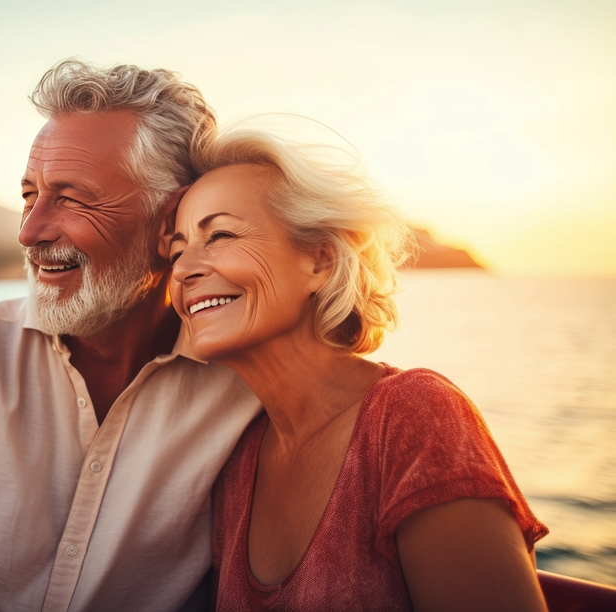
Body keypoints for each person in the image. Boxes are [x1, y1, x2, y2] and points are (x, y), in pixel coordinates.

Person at [0, 60, 262, 611]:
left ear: (171, 223)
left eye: (72, 198)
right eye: (28, 195)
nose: (29, 231)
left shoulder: (251, 382)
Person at [168, 128, 549, 611]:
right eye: (176, 250)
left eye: (220, 234)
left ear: (320, 261)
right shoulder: (237, 460)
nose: (182, 269)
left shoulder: (413, 416)